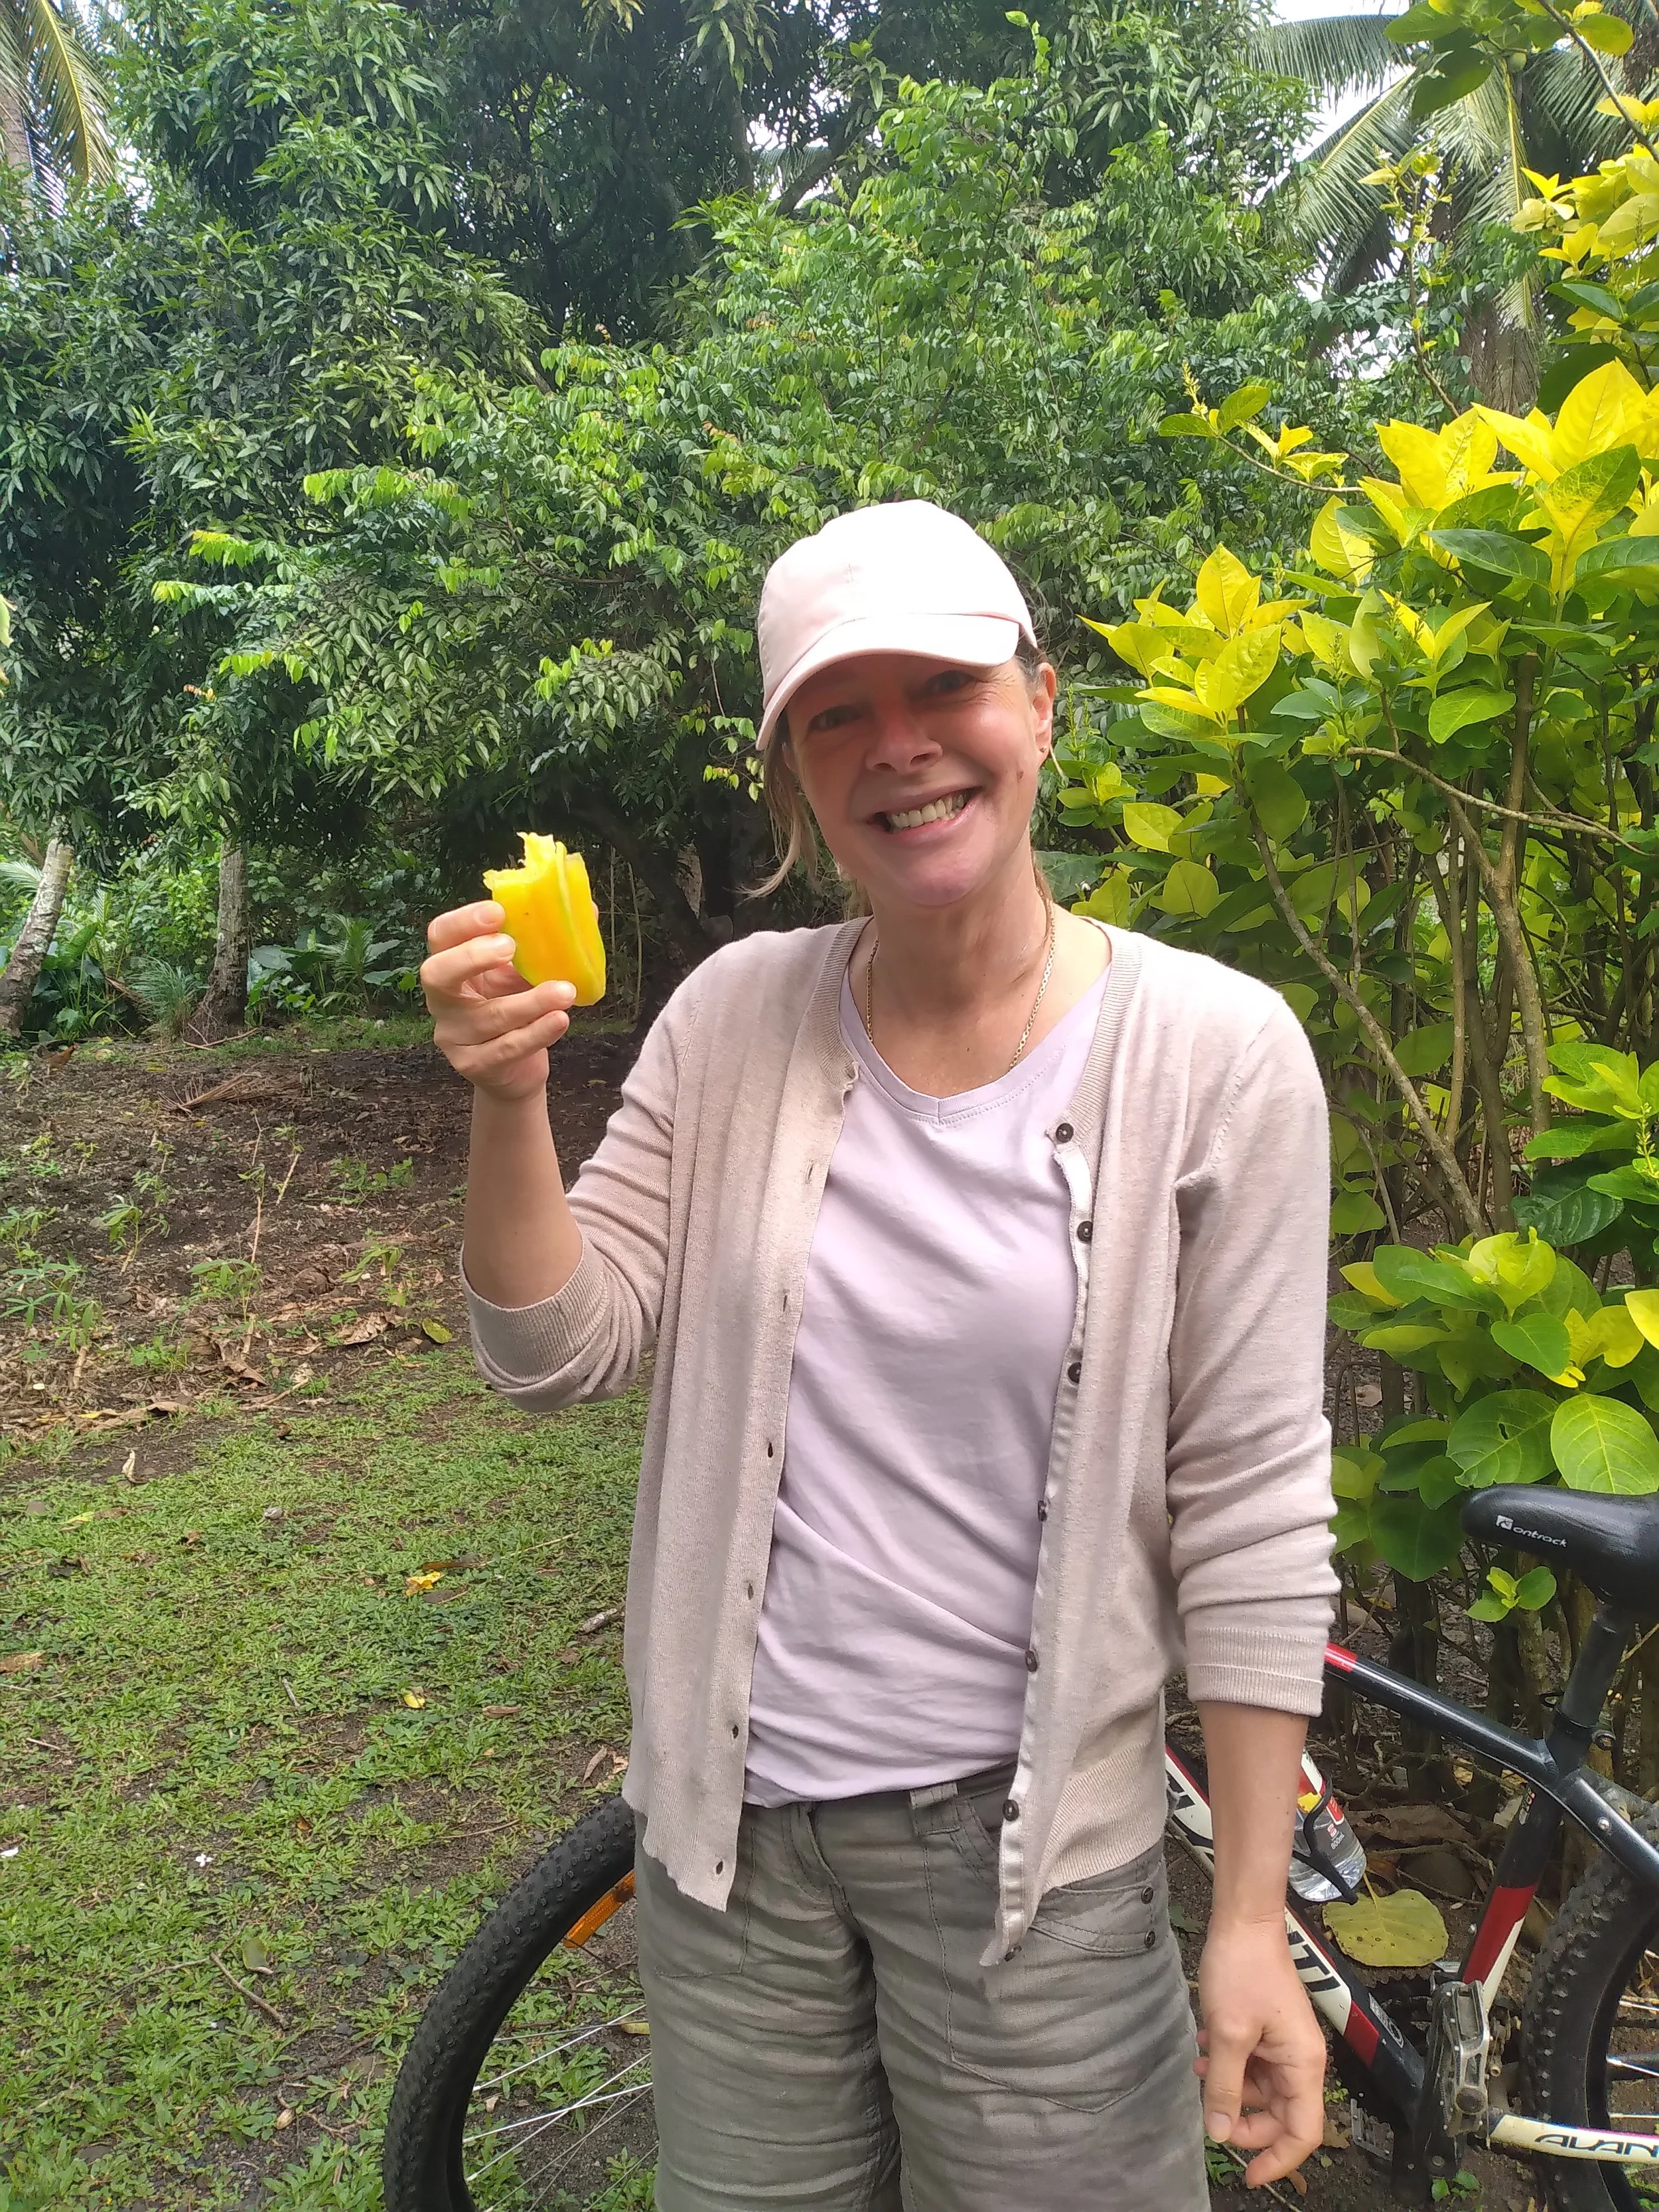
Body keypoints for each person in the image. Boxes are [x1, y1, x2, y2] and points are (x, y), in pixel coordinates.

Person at [421, 499, 1337, 2211]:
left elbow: (1254, 1509)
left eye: (947, 687)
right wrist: (508, 1100)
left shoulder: (1219, 1056)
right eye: (838, 712)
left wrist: (1245, 1920)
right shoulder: (735, 1016)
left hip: (1036, 1876)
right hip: (730, 1855)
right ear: (793, 776)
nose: (900, 745)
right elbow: (559, 1349)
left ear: (1040, 704)